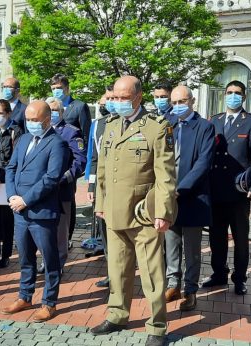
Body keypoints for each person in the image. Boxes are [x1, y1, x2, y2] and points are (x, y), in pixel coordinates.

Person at [90, 75, 176, 346]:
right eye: (114, 97)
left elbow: (165, 175)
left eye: (123, 97)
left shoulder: (156, 127)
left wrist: (163, 211)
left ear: (139, 97)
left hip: (144, 214)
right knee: (117, 269)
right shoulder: (111, 126)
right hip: (114, 212)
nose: (117, 102)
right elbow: (102, 170)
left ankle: (157, 325)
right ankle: (117, 315)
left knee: (152, 273)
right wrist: (100, 205)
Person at [1, 101, 69, 323]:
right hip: (19, 211)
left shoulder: (56, 143)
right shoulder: (23, 139)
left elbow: (51, 178)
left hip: (41, 212)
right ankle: (25, 295)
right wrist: (11, 195)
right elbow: (11, 168)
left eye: (35, 120)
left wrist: (26, 200)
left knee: (50, 260)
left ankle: (49, 302)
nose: (30, 124)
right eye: (27, 120)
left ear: (47, 120)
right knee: (25, 257)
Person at [202, 80, 251, 295]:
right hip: (216, 189)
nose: (232, 96)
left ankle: (240, 277)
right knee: (216, 237)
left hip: (239, 192)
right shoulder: (214, 121)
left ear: (244, 97)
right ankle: (219, 273)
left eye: (237, 93)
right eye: (229, 92)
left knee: (240, 239)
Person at [163, 86, 215, 311]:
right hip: (168, 195)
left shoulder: (205, 127)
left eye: (182, 101)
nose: (177, 106)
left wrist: (181, 188)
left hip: (193, 196)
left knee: (192, 248)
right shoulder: (168, 125)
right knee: (171, 243)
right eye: (174, 103)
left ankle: (191, 290)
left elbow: (204, 162)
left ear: (192, 101)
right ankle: (173, 283)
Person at [47, 96, 87, 270]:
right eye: (50, 110)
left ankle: (59, 264)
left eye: (56, 110)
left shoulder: (71, 131)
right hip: (43, 190)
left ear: (62, 112)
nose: (53, 113)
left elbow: (80, 160)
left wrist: (65, 177)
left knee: (60, 232)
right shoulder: (41, 131)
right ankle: (47, 261)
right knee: (45, 231)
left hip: (62, 189)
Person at [0, 99, 22, 268]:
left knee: (7, 220)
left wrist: (1, 178)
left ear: (8, 113)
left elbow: (15, 159)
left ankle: (6, 254)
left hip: (7, 180)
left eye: (0, 113)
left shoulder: (16, 131)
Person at [87, 85, 115, 288]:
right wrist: (91, 187)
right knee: (105, 233)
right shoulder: (98, 125)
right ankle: (112, 273)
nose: (108, 103)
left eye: (112, 98)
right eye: (107, 99)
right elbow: (94, 158)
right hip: (103, 188)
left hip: (126, 189)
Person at [50, 73, 91, 145]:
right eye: (53, 89)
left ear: (67, 88)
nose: (56, 91)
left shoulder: (79, 106)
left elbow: (86, 135)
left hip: (73, 150)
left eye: (59, 88)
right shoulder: (49, 107)